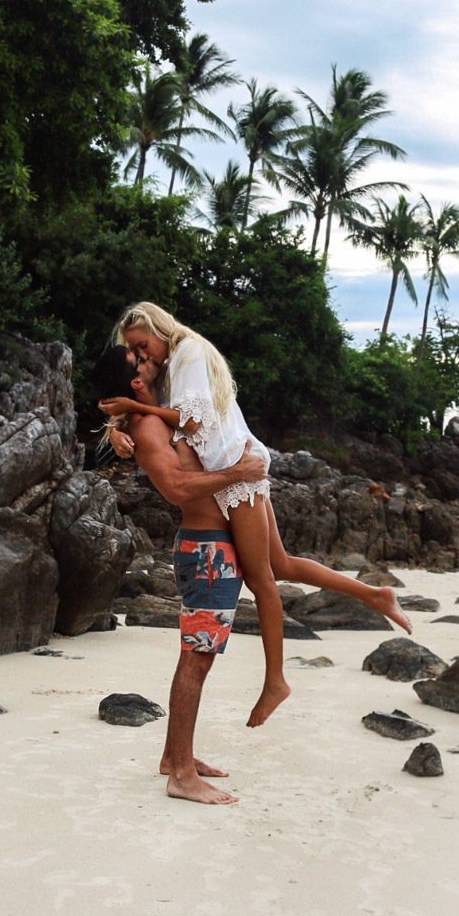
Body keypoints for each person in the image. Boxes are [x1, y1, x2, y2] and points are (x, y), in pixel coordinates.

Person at [99, 302, 412, 728]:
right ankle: (375, 596)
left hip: (236, 471)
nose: (142, 353)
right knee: (281, 564)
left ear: (160, 328)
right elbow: (174, 421)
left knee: (261, 576)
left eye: (143, 343)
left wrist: (143, 412)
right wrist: (120, 427)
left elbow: (194, 422)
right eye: (134, 350)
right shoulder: (172, 366)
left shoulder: (187, 350)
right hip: (234, 468)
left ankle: (276, 681)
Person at [91, 344, 266, 805]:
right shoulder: (148, 425)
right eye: (140, 358)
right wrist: (238, 471)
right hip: (207, 552)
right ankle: (181, 776)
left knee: (197, 655)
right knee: (197, 657)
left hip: (211, 548)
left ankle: (174, 757)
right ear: (135, 379)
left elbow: (193, 414)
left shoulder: (155, 415)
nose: (150, 358)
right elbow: (174, 488)